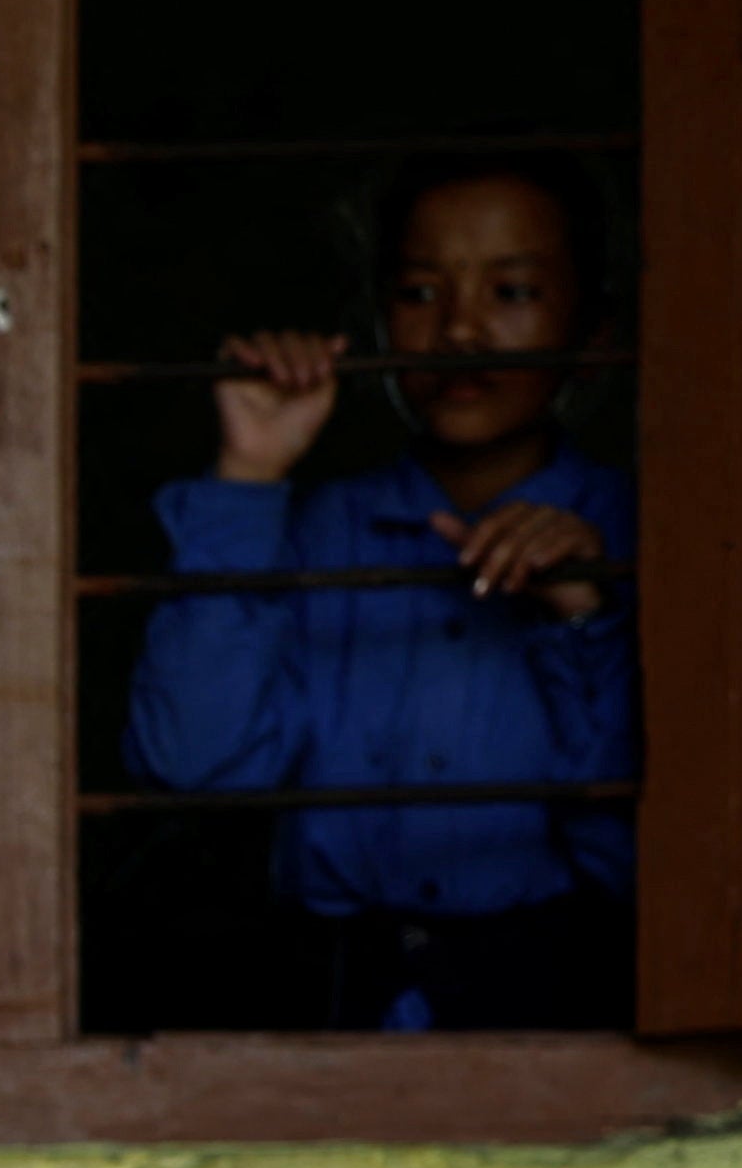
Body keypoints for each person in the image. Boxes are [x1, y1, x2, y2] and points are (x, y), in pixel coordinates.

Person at [125, 155, 636, 1030]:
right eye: (420, 293)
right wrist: (248, 475)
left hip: (565, 1002)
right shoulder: (316, 533)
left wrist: (586, 622)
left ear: (592, 338)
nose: (461, 333)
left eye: (511, 292)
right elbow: (191, 767)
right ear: (376, 322)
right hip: (326, 998)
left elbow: (643, 853)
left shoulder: (641, 535)